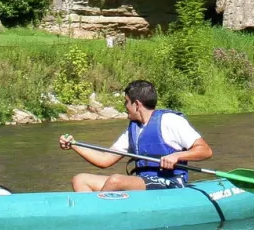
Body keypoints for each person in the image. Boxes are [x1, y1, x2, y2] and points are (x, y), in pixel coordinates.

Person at [58, 80, 212, 192]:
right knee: (80, 179)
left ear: (137, 104)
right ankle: (90, 212)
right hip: (143, 182)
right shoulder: (134, 129)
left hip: (171, 182)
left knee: (116, 180)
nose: (125, 107)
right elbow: (104, 160)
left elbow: (205, 150)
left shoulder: (170, 121)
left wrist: (177, 156)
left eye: (126, 102)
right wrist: (74, 145)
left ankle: (97, 215)